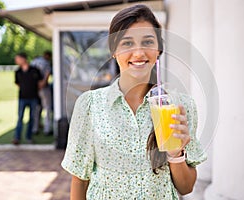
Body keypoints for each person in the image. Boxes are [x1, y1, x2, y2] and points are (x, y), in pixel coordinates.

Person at [61, 4, 206, 200]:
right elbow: (80, 180)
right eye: (127, 43)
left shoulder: (179, 106)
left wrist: (175, 154)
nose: (138, 53)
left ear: (158, 50)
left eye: (147, 42)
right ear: (113, 50)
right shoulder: (90, 105)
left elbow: (186, 187)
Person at [13, 53, 45, 145]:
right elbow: (17, 83)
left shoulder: (35, 70)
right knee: (20, 118)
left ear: (23, 59)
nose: (16, 61)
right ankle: (17, 138)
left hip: (33, 98)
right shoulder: (17, 71)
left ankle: (29, 137)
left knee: (32, 118)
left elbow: (40, 83)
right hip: (22, 98)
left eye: (17, 59)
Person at [31, 51, 52, 135]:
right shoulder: (46, 63)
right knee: (47, 108)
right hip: (44, 88)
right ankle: (47, 129)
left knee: (36, 109)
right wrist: (42, 83)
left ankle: (35, 128)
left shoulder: (34, 61)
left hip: (34, 88)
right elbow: (47, 75)